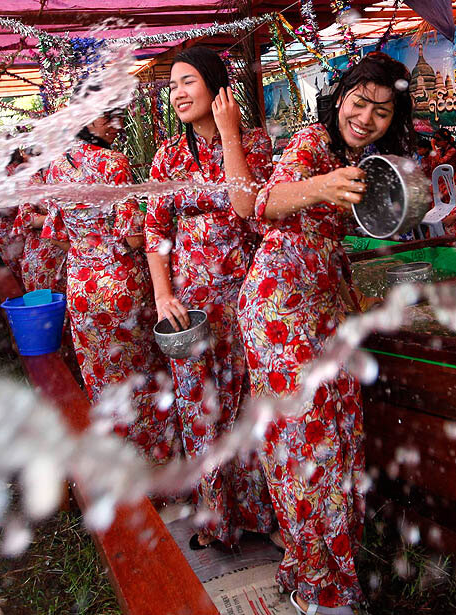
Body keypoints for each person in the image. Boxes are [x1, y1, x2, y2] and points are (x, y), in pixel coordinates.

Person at [239, 52, 413, 614]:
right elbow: (262, 204)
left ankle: (313, 568)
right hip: (278, 312)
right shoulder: (312, 145)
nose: (366, 117)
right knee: (305, 447)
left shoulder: (361, 156)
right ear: (340, 99)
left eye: (382, 111)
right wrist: (320, 186)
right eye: (359, 103)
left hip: (321, 309)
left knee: (339, 441)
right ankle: (322, 590)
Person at [145, 46, 275, 548]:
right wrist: (162, 295)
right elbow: (154, 231)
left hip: (247, 294)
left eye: (188, 82)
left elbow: (251, 210)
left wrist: (229, 135)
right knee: (200, 405)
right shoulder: (167, 156)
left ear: (217, 88)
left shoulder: (255, 143)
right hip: (192, 306)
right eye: (172, 85)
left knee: (247, 405)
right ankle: (216, 518)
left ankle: (262, 517)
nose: (177, 93)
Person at [41, 96, 169, 460]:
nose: (116, 124)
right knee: (139, 372)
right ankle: (151, 459)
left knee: (100, 375)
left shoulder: (54, 169)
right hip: (122, 286)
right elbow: (131, 237)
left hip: (82, 286)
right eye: (107, 117)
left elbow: (56, 233)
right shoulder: (114, 164)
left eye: (119, 116)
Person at [12, 166, 66, 293]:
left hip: (72, 255)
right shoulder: (32, 179)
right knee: (45, 304)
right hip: (43, 257)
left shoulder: (73, 172)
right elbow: (27, 218)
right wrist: (60, 220)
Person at [0, 148, 32, 282]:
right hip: (20, 226)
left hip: (7, 226)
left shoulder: (1, 173)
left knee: (15, 263)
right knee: (23, 262)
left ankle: (22, 289)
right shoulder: (22, 170)